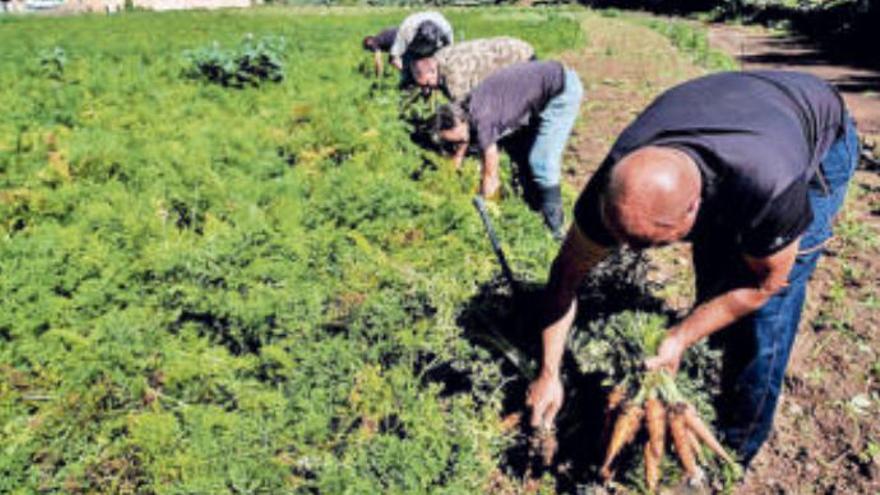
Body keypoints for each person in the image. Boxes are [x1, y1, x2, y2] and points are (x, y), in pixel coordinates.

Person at [525, 70, 859, 466]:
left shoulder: (772, 186)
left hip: (815, 133)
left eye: (654, 242)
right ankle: (713, 366)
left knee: (766, 313)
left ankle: (733, 452)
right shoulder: (615, 186)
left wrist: (681, 336)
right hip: (737, 112)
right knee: (717, 272)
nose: (632, 252)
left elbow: (766, 284)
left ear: (696, 207)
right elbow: (565, 277)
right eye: (624, 239)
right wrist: (549, 371)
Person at [433, 61, 583, 238]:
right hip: (543, 81)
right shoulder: (464, 108)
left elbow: (491, 175)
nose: (455, 144)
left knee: (541, 161)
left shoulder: (483, 121)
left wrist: (490, 209)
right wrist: (453, 170)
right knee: (520, 152)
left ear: (459, 123)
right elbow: (463, 140)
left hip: (561, 90)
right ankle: (534, 203)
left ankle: (556, 229)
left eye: (454, 140)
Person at [410, 36, 535, 102]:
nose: (427, 89)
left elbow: (465, 108)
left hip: (518, 57)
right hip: (512, 45)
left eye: (427, 84)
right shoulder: (439, 56)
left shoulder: (453, 77)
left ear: (432, 70)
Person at [389, 11, 453, 77]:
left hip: (436, 48)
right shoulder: (406, 30)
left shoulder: (445, 29)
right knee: (409, 76)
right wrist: (409, 72)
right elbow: (394, 58)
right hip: (411, 50)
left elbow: (449, 52)